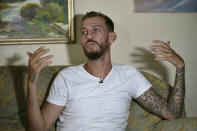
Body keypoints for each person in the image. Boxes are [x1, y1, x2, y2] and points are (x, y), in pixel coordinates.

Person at [26, 11, 185, 131]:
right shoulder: (66, 77)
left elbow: (172, 114)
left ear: (112, 37)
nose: (88, 35)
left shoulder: (129, 75)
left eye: (96, 29)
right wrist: (32, 82)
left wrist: (180, 67)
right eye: (84, 32)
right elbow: (39, 128)